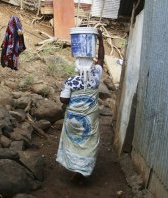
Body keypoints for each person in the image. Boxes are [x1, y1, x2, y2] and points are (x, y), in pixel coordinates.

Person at [56, 30, 104, 179]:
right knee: (88, 144)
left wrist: (70, 98)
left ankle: (75, 168)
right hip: (89, 120)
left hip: (73, 120)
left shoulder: (71, 81)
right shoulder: (95, 76)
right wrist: (101, 40)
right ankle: (81, 172)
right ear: (92, 63)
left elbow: (63, 100)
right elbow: (101, 58)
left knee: (74, 143)